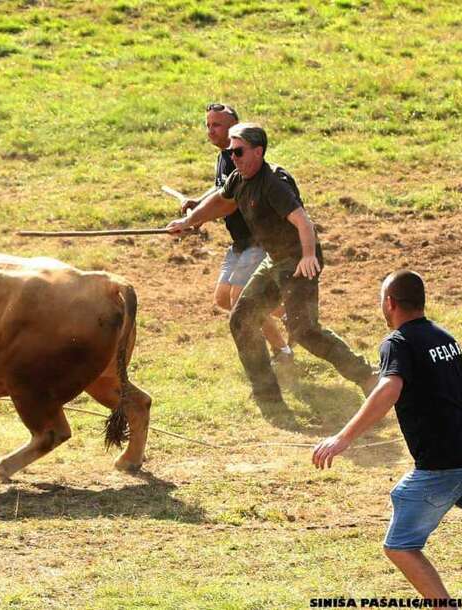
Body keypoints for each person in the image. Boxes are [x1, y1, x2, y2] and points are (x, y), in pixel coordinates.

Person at [167, 123, 376, 403]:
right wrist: (189, 221)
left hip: (298, 260)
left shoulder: (274, 183)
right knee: (241, 319)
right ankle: (267, 393)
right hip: (274, 260)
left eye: (238, 151)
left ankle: (368, 376)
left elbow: (303, 222)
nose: (233, 158)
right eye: (230, 152)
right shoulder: (238, 178)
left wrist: (310, 257)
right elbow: (220, 200)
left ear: (258, 151)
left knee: (305, 332)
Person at [313, 270, 462, 601]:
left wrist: (343, 438)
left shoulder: (397, 342)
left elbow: (389, 387)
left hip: (442, 465)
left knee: (400, 545)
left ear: (390, 303)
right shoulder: (445, 338)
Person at [177, 103, 292, 365]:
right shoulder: (224, 158)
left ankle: (280, 352)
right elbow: (221, 191)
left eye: (216, 125)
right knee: (223, 299)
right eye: (208, 125)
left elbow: (230, 202)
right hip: (239, 242)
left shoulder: (242, 159)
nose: (210, 130)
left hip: (256, 240)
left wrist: (194, 219)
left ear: (234, 128)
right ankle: (290, 315)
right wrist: (199, 204)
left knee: (241, 300)